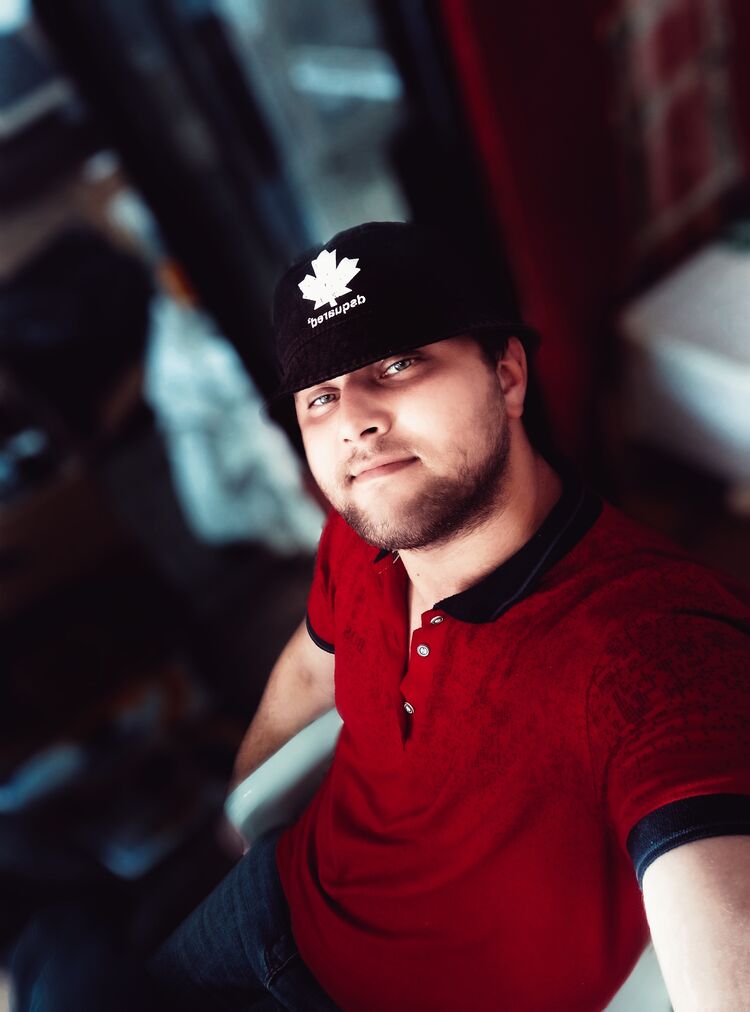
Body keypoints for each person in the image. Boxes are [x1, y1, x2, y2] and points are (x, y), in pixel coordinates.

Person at [150, 221, 750, 1011]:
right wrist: (240, 814)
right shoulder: (361, 536)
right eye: (321, 397)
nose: (354, 422)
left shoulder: (654, 645)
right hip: (278, 895)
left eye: (398, 364)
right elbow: (308, 668)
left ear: (507, 376)